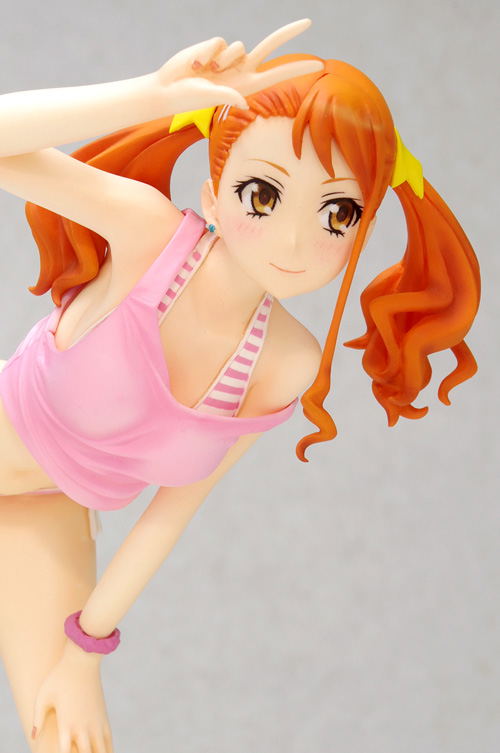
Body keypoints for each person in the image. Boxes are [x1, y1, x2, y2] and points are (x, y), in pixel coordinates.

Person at [0, 17, 480, 753]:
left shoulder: (286, 362)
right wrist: (149, 95)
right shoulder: (151, 238)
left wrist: (84, 652)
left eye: (336, 213)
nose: (294, 241)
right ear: (214, 193)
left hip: (42, 512)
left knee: (63, 739)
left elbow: (172, 513)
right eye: (263, 194)